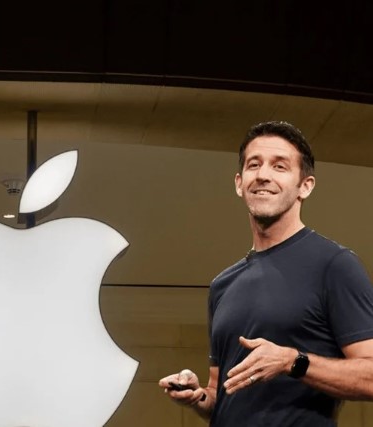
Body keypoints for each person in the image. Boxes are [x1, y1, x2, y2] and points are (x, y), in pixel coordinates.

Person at [159, 121, 373, 426]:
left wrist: (293, 362)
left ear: (305, 186)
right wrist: (199, 396)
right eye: (254, 164)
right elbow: (221, 393)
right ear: (239, 183)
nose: (263, 175)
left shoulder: (334, 265)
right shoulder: (223, 285)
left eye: (279, 166)